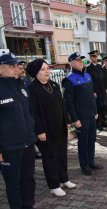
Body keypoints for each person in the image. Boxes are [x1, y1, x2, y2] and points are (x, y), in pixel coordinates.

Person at [26, 59, 76, 197]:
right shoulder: (32, 89)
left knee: (62, 155)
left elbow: (62, 104)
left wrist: (66, 121)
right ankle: (53, 185)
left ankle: (64, 179)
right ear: (36, 73)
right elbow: (33, 112)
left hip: (59, 127)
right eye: (43, 69)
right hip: (45, 130)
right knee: (50, 158)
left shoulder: (53, 85)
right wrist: (39, 130)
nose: (47, 71)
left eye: (47, 68)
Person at [0, 52, 36, 209]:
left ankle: (28, 205)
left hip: (28, 143)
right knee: (13, 184)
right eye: (11, 66)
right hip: (10, 147)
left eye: (16, 65)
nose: (16, 69)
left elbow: (30, 112)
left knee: (28, 179)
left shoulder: (22, 84)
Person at [62, 52, 102, 176]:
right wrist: (75, 119)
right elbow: (68, 102)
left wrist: (95, 111)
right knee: (83, 142)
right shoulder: (69, 79)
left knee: (91, 140)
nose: (81, 62)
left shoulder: (88, 75)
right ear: (71, 63)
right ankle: (84, 165)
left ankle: (91, 162)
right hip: (81, 116)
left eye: (81, 60)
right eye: (78, 60)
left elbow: (91, 96)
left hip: (91, 114)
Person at [86, 50, 107, 130]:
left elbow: (103, 79)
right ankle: (98, 124)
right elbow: (89, 81)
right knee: (97, 107)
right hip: (96, 90)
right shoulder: (88, 68)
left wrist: (105, 88)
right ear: (91, 58)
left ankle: (103, 121)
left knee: (103, 106)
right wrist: (92, 91)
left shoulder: (99, 66)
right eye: (94, 56)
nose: (95, 58)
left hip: (102, 89)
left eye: (96, 56)